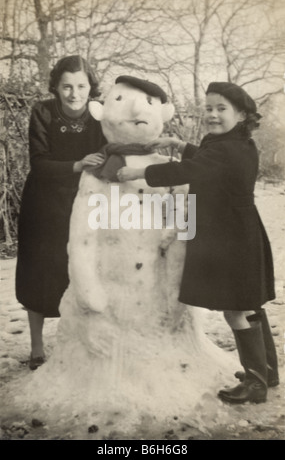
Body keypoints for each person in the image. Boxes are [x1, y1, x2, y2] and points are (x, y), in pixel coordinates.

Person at [117, 81, 279, 404]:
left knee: (236, 311)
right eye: (209, 108)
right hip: (240, 234)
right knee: (250, 305)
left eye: (222, 109)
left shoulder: (226, 150)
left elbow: (193, 169)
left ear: (242, 114)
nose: (213, 115)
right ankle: (267, 372)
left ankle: (256, 384)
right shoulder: (237, 143)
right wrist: (179, 144)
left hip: (231, 239)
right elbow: (206, 159)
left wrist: (136, 173)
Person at [16, 55, 107, 370]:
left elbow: (112, 151)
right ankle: (37, 346)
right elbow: (38, 162)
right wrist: (78, 164)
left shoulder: (99, 115)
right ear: (55, 87)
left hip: (84, 200)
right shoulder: (42, 112)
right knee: (39, 273)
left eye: (81, 86)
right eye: (66, 86)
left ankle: (80, 342)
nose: (73, 93)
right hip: (43, 201)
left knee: (83, 270)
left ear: (90, 87)